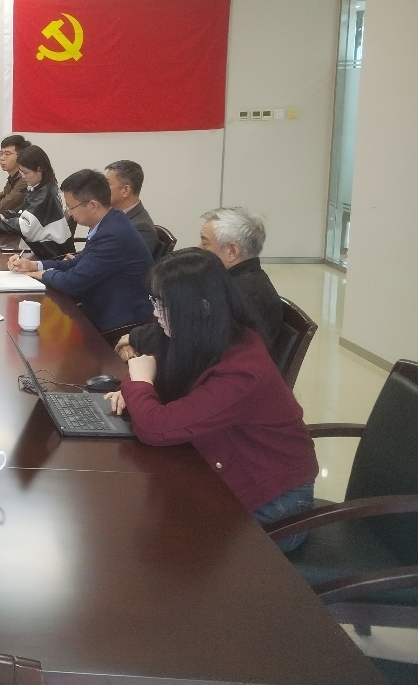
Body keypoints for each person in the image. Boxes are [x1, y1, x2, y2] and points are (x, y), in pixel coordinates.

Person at [105, 249, 317, 552]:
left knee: (165, 546)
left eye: (164, 305)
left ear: (202, 307)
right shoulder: (205, 336)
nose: (156, 314)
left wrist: (138, 384)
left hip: (275, 503)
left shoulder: (243, 370)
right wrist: (138, 390)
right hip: (223, 467)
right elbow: (162, 380)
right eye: (155, 301)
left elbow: (155, 427)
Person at [117, 207, 283, 362]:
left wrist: (135, 339)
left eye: (205, 242)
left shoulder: (245, 295)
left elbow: (190, 333)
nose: (198, 247)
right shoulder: (226, 280)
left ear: (232, 251)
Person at [8, 168, 154, 332]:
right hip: (97, 308)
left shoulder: (113, 235)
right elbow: (76, 263)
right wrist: (34, 265)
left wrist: (41, 274)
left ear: (93, 205)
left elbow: (72, 282)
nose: (69, 213)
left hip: (118, 324)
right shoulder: (108, 223)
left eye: (71, 207)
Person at [0, 145, 74, 258]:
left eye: (26, 173)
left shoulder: (45, 195)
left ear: (39, 170)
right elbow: (27, 217)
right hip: (44, 250)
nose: (23, 176)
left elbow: (23, 226)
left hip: (52, 256)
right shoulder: (42, 188)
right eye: (21, 172)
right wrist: (8, 215)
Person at [104, 160, 163, 260]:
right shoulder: (111, 214)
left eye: (107, 184)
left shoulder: (142, 228)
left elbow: (119, 264)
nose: (102, 189)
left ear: (125, 190)